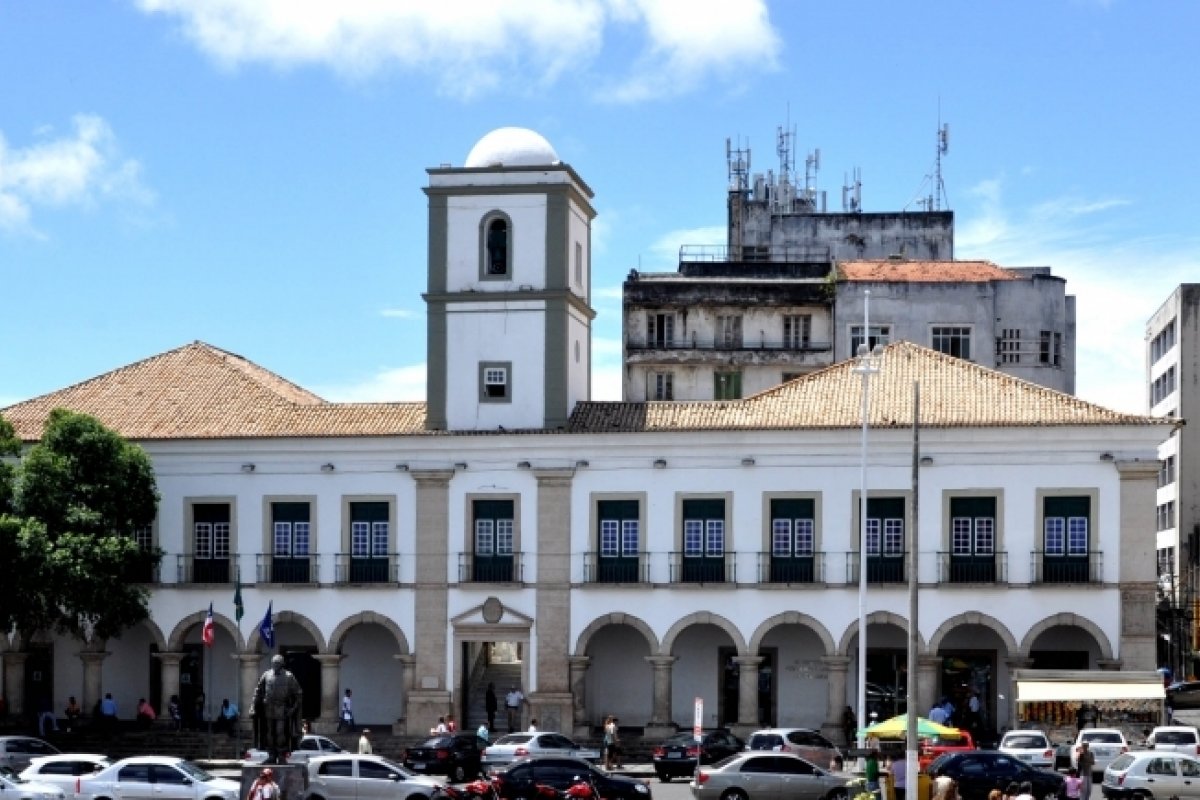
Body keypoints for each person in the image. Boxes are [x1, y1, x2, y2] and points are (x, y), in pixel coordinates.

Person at [251, 654, 303, 764]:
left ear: (282, 664)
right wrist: (253, 707)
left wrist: (293, 709)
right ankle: (271, 755)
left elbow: (298, 693)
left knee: (280, 732)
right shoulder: (266, 674)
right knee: (269, 732)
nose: (275, 665)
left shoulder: (289, 676)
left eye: (277, 663)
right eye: (274, 663)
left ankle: (281, 755)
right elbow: (258, 691)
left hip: (282, 708)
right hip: (268, 708)